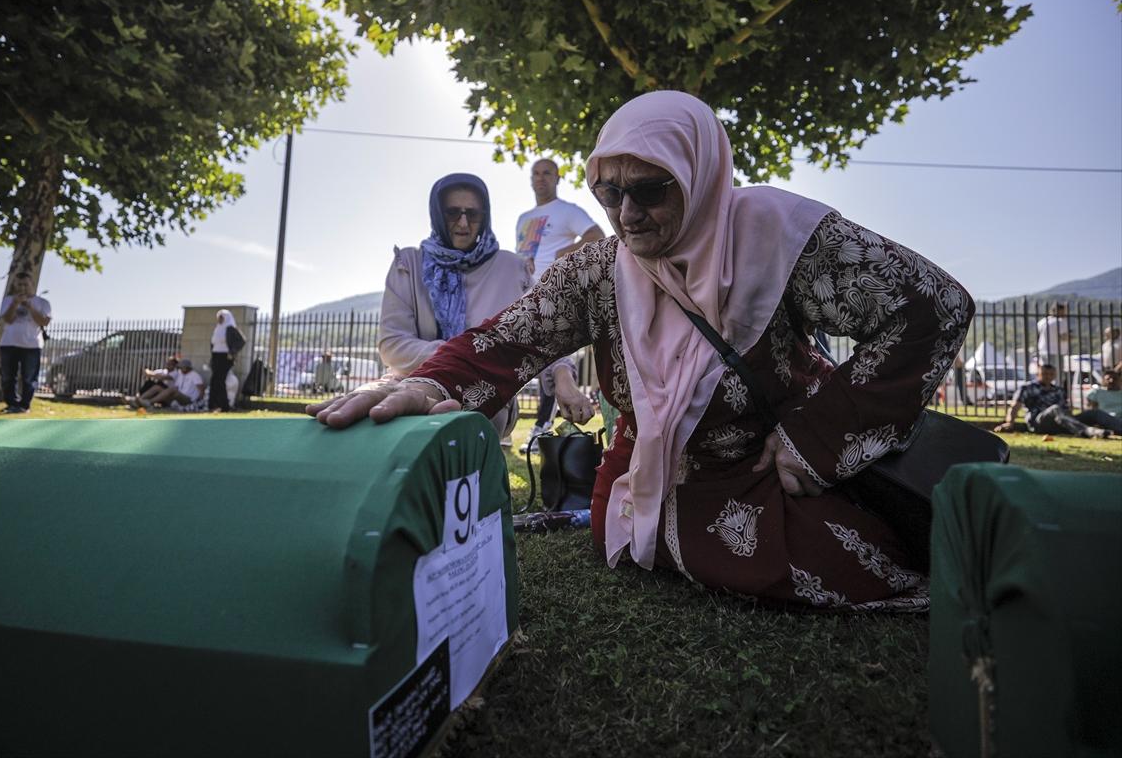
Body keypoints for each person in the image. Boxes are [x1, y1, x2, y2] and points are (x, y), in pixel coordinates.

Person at [309, 91, 975, 611]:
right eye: (609, 191)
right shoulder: (597, 271)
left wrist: (820, 436)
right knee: (625, 532)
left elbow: (932, 306)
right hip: (647, 476)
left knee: (849, 561)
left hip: (774, 470)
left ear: (701, 174)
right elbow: (508, 339)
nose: (627, 214)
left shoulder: (780, 237)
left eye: (651, 189)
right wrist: (430, 383)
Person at [378, 172, 593, 445]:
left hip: (486, 391)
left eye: (474, 214)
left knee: (462, 425)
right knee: (370, 410)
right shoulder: (408, 263)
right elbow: (392, 344)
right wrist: (463, 358)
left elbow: (543, 333)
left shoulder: (511, 268)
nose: (464, 224)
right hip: (409, 382)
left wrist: (564, 379)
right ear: (436, 214)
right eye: (453, 213)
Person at [515, 159, 606, 449]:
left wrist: (564, 252)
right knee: (529, 360)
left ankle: (541, 428)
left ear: (557, 178)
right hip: (524, 297)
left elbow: (596, 235)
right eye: (535, 174)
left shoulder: (567, 211)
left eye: (547, 174)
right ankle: (526, 425)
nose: (540, 179)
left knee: (550, 358)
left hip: (555, 295)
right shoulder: (523, 218)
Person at [994, 364, 1111, 438]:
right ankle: (1088, 432)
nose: (1048, 376)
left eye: (1051, 374)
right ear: (1038, 374)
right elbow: (1015, 406)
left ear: (1054, 375)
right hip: (1039, 422)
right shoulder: (1027, 388)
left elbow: (1066, 409)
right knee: (1055, 409)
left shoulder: (1059, 390)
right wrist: (1010, 422)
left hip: (1062, 421)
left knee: (1094, 413)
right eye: (1044, 374)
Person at [0, 271, 52, 414]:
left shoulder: (43, 303)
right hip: (9, 343)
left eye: (25, 285)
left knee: (29, 378)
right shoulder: (8, 300)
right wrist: (15, 304)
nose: (22, 288)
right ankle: (11, 404)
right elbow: (8, 319)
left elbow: (44, 321)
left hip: (32, 345)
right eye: (19, 284)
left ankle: (24, 405)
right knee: (8, 377)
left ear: (32, 285)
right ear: (15, 285)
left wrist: (29, 306)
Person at [208, 309, 246, 412]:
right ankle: (212, 405)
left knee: (220, 380)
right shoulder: (217, 329)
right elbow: (213, 344)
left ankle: (224, 406)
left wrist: (232, 352)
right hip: (216, 356)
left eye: (221, 317)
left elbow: (241, 341)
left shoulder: (230, 328)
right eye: (218, 317)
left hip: (225, 357)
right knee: (214, 381)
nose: (219, 319)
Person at [138, 358, 205, 410]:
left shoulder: (195, 376)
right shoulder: (181, 374)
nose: (180, 368)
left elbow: (201, 389)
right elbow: (177, 386)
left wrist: (198, 401)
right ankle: (140, 400)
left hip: (188, 399)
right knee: (158, 387)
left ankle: (149, 402)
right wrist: (165, 393)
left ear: (187, 367)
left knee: (172, 390)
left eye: (182, 367)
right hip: (177, 397)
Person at [1035, 302, 1069, 384]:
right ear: (1059, 311)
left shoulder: (1042, 322)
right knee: (1057, 375)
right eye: (1064, 311)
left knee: (1045, 373)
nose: (1065, 313)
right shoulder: (1060, 321)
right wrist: (1070, 337)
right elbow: (1063, 337)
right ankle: (1056, 391)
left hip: (1043, 351)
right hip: (1056, 351)